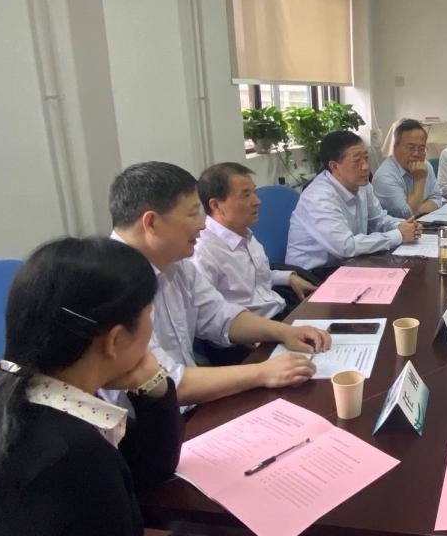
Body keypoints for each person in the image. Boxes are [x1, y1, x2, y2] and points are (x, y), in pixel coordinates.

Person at [0, 237, 311, 536]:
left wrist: (153, 386)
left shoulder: (20, 396)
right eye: (150, 315)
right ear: (115, 340)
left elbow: (152, 470)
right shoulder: (69, 458)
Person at [109, 162, 331, 407]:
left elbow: (220, 315)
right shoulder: (111, 285)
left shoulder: (175, 263)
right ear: (151, 223)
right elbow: (163, 382)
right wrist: (262, 372)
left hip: (192, 401)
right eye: (192, 214)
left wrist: (285, 332)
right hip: (150, 421)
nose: (203, 224)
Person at [194, 162, 316, 319]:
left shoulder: (243, 232)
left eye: (254, 192)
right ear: (216, 205)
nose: (257, 201)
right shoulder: (203, 251)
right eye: (246, 195)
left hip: (279, 311)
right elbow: (208, 316)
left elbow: (255, 278)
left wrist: (289, 278)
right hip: (253, 329)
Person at [286, 130, 421, 272]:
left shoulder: (362, 184)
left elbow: (378, 219)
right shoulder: (319, 197)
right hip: (313, 274)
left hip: (350, 262)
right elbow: (345, 247)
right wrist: (398, 235)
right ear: (335, 167)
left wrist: (402, 226)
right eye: (357, 161)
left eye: (366, 158)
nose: (366, 167)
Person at [372, 119, 444, 217]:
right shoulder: (384, 176)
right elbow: (406, 214)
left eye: (421, 149)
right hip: (398, 226)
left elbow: (437, 198)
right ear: (395, 148)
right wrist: (419, 180)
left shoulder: (426, 165)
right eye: (411, 148)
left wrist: (416, 209)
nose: (416, 154)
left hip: (424, 221)